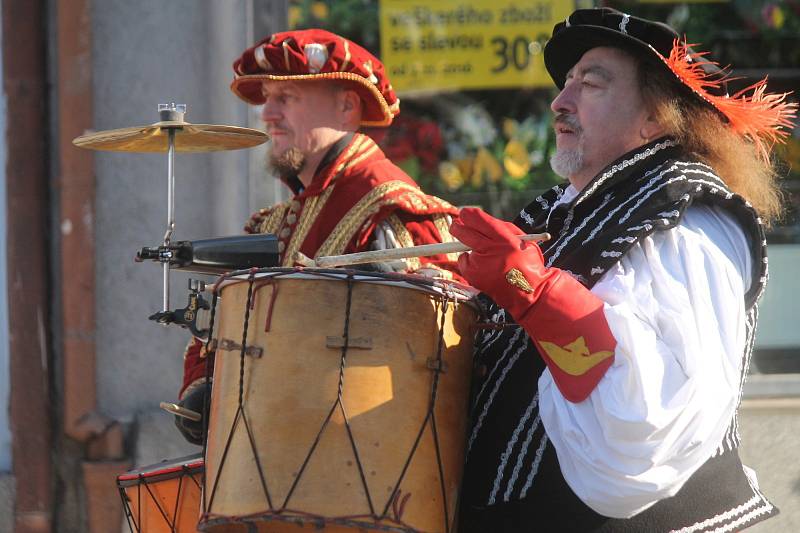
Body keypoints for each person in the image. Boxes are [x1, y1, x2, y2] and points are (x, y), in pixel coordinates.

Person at [452, 7, 796, 532]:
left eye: (591, 84)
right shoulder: (568, 207)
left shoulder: (685, 216)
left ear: (655, 117)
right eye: (566, 84)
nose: (560, 102)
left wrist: (530, 288)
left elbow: (649, 419)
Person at [175, 29, 462, 444]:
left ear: (346, 107)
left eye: (286, 98)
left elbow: (437, 348)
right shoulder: (271, 224)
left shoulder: (390, 204)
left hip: (360, 461)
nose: (267, 114)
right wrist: (202, 388)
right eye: (267, 99)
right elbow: (221, 330)